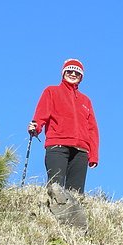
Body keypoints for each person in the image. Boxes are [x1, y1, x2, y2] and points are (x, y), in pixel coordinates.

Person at [28, 58, 99, 194]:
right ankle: (49, 215)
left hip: (81, 151)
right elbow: (41, 114)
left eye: (77, 73)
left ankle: (70, 215)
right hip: (57, 145)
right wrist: (36, 127)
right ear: (63, 73)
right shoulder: (51, 91)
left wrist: (94, 155)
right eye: (70, 71)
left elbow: (92, 129)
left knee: (76, 194)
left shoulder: (86, 101)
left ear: (81, 77)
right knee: (55, 188)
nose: (73, 74)